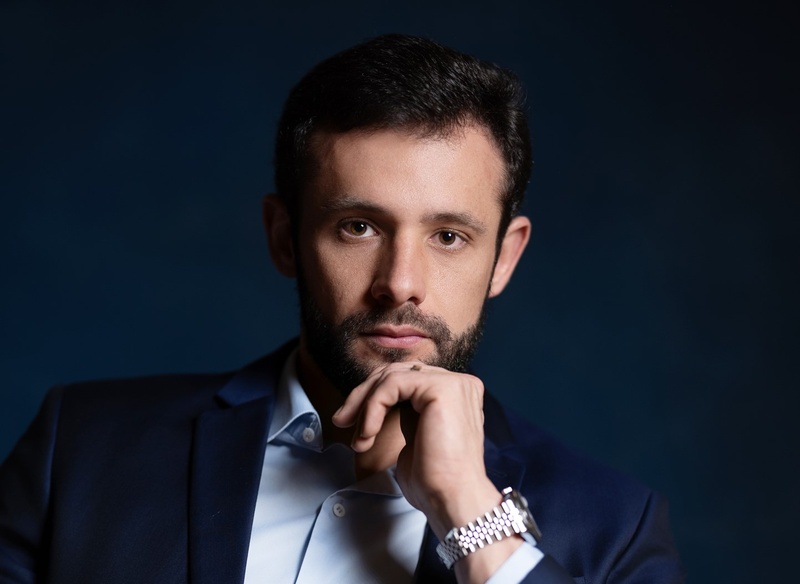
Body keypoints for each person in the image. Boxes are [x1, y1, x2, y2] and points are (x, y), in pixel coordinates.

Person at [0, 34, 684, 583]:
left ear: (504, 258)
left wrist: (471, 515)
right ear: (284, 238)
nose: (400, 284)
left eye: (449, 237)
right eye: (358, 227)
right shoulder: (82, 450)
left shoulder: (614, 531)